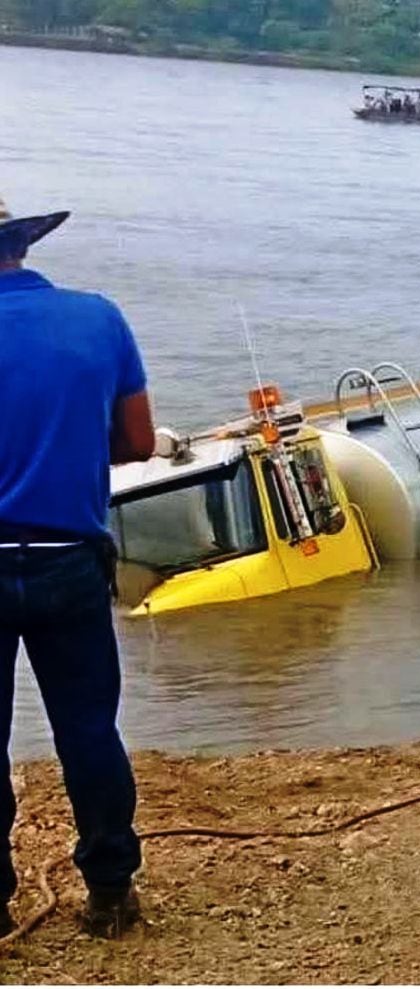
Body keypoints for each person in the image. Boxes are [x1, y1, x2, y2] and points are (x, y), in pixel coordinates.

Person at [0, 196, 155, 938]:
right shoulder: (98, 318)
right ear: (21, 246)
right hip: (69, 556)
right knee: (89, 729)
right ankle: (110, 891)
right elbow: (139, 441)